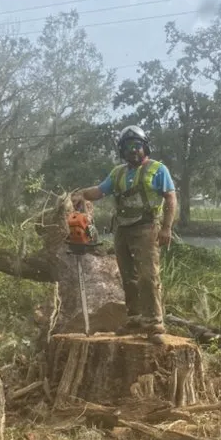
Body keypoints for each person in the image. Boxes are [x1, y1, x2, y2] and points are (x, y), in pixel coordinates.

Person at [73, 125, 176, 342]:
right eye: (129, 147)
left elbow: (170, 198)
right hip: (122, 229)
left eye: (137, 146)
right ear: (122, 150)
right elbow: (100, 191)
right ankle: (135, 318)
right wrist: (81, 193)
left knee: (148, 275)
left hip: (147, 227)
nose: (133, 150)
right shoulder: (118, 172)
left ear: (145, 147)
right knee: (128, 276)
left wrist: (167, 227)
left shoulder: (158, 170)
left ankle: (154, 323)